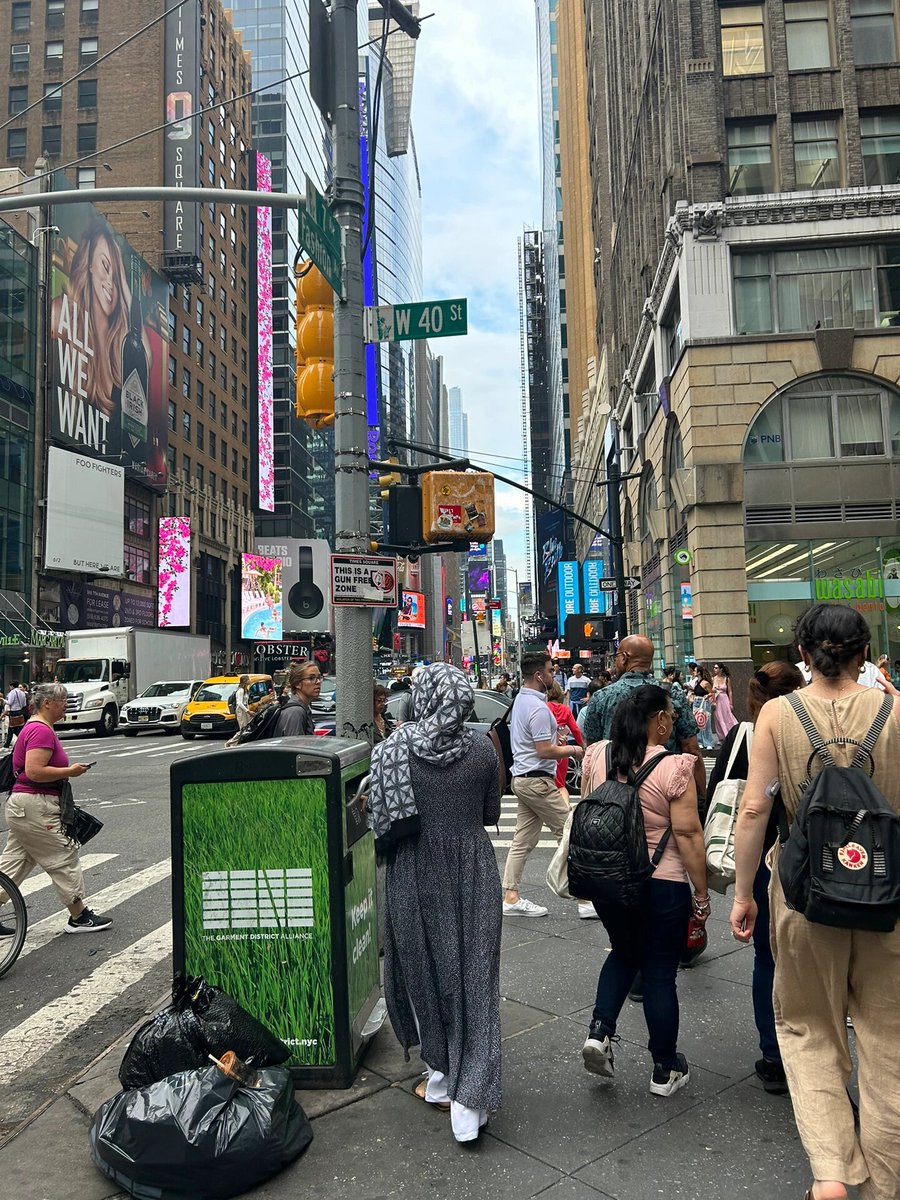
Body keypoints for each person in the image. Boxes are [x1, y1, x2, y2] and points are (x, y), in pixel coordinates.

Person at [730, 603, 900, 1200]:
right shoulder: (897, 708)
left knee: (808, 1027)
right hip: (888, 894)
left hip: (805, 894)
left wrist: (743, 891)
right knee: (889, 1037)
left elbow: (754, 808)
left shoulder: (777, 713)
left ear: (802, 654)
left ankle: (831, 1172)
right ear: (865, 652)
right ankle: (887, 1183)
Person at [368, 663, 501, 1143]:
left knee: (422, 972)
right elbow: (490, 813)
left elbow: (377, 818)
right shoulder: (483, 749)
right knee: (474, 976)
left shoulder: (392, 751)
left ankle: (442, 1076)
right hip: (471, 868)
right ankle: (471, 1094)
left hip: (411, 869)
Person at [581, 684, 709, 1096]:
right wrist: (702, 896)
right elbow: (688, 834)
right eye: (669, 713)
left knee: (622, 953)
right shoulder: (675, 767)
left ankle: (599, 1032)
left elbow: (589, 808)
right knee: (658, 974)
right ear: (659, 720)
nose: (672, 719)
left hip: (609, 882)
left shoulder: (597, 754)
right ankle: (664, 1069)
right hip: (662, 883)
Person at [707, 661, 804, 1095]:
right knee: (817, 957)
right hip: (818, 857)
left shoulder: (743, 735)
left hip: (765, 860)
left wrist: (739, 892)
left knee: (767, 958)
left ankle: (774, 1056)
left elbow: (722, 797)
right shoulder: (810, 729)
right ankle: (816, 1050)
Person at [0, 683, 112, 934]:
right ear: (47, 703)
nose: (66, 704)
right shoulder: (41, 731)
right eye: (62, 700)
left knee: (15, 862)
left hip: (23, 805)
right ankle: (79, 916)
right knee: (62, 855)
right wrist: (70, 772)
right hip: (35, 804)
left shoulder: (34, 727)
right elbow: (35, 771)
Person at [502, 651, 585, 917]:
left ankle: (511, 896)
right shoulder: (538, 708)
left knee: (522, 840)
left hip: (524, 779)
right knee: (570, 833)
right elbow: (543, 751)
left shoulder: (521, 701)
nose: (553, 674)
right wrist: (573, 750)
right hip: (537, 781)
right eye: (549, 670)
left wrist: (555, 744)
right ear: (539, 675)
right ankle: (584, 898)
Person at [583, 637, 707, 810]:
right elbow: (691, 748)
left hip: (614, 799)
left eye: (617, 656)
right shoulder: (672, 694)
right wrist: (701, 798)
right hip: (666, 793)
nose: (616, 661)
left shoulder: (601, 697)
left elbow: (593, 752)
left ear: (625, 657)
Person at [546, 681, 584, 801]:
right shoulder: (566, 709)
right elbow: (575, 730)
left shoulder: (544, 708)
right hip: (562, 749)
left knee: (547, 785)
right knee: (561, 785)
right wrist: (582, 745)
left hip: (547, 748)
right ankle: (565, 810)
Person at [272, 662, 319, 736]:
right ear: (297, 684)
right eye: (311, 678)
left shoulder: (304, 708)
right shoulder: (295, 711)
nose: (318, 682)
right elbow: (294, 745)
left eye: (319, 677)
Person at [689, 664, 716, 751]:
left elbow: (712, 692)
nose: (694, 672)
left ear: (699, 673)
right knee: (698, 722)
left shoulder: (705, 683)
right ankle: (700, 741)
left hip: (704, 702)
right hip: (696, 702)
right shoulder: (696, 682)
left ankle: (708, 742)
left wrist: (707, 696)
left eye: (695, 671)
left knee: (706, 722)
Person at [711, 662, 738, 743]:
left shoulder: (726, 679)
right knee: (718, 717)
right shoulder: (713, 679)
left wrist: (731, 703)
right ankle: (721, 736)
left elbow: (729, 691)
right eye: (714, 668)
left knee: (727, 716)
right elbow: (711, 691)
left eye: (716, 668)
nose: (714, 669)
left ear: (721, 669)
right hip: (717, 699)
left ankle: (731, 733)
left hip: (724, 699)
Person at [4, 680, 28, 748]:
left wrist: (3, 700)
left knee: (13, 728)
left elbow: (10, 702)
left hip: (13, 712)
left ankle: (23, 740)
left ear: (12, 686)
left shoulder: (12, 692)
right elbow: (24, 704)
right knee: (17, 727)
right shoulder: (22, 693)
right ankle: (7, 743)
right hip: (20, 711)